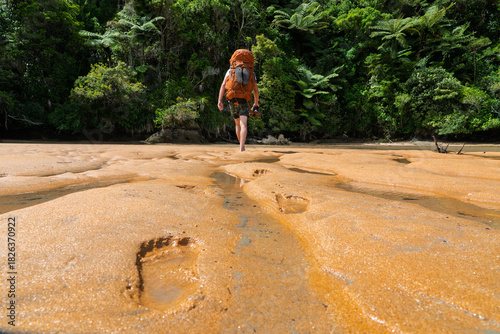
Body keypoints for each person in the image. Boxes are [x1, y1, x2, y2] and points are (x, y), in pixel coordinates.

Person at [217, 50, 260, 152]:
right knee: (243, 123)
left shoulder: (230, 71)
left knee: (237, 124)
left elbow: (223, 85)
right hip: (244, 99)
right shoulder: (251, 71)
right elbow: (255, 89)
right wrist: (256, 103)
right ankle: (242, 147)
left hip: (233, 99)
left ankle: (241, 146)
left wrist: (219, 100)